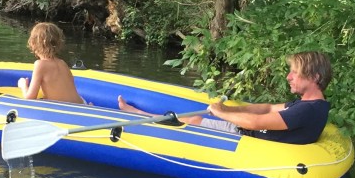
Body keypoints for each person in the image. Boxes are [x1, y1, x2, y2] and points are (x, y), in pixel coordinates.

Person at [118, 51, 333, 145]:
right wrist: (229, 109)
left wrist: (221, 112)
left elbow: (257, 122)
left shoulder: (308, 110)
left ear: (315, 77)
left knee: (192, 122)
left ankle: (140, 117)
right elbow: (267, 109)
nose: (289, 77)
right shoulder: (309, 105)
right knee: (194, 120)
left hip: (246, 140)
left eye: (294, 72)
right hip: (247, 134)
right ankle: (142, 114)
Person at [17, 22, 86, 103]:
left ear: (32, 43)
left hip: (67, 109)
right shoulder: (62, 63)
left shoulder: (40, 64)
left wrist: (23, 85)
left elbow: (30, 98)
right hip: (82, 104)